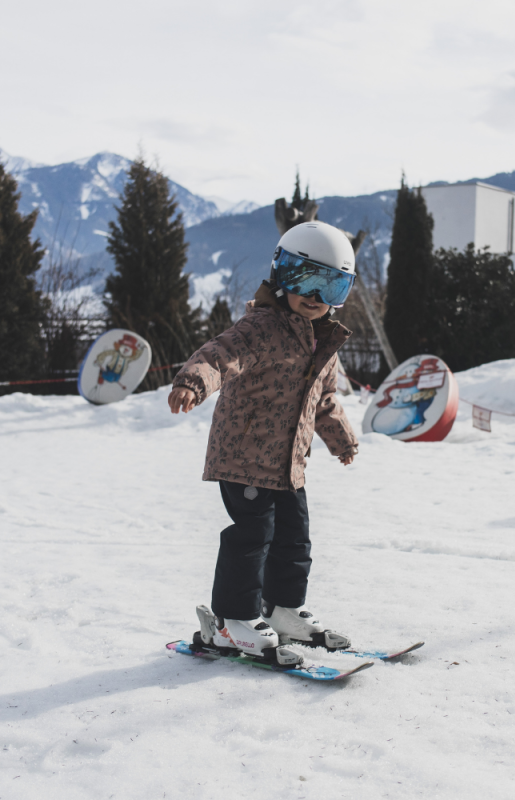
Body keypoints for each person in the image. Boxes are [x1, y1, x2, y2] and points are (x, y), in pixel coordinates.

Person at [168, 221, 360, 665]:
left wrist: (342, 440)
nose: (314, 296)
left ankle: (284, 610)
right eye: (303, 279)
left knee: (294, 537)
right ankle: (233, 620)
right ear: (280, 274)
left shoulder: (321, 342)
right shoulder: (259, 328)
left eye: (329, 285)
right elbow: (219, 355)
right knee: (253, 536)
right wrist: (193, 383)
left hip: (287, 464)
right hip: (243, 457)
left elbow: (324, 400)